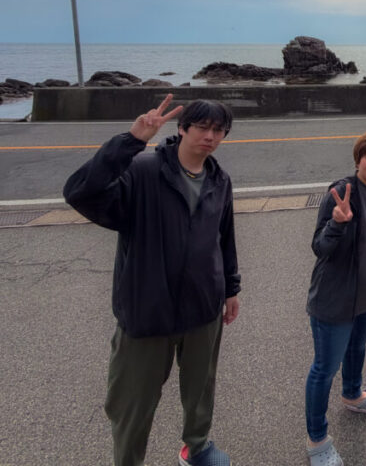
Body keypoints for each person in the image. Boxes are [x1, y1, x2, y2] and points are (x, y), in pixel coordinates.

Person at [62, 95, 240, 466]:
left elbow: (224, 237)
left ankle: (197, 447)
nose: (210, 136)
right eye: (202, 127)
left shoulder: (219, 180)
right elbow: (80, 192)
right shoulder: (142, 172)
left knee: (200, 388)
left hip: (203, 306)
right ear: (183, 128)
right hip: (147, 310)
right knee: (132, 401)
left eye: (218, 130)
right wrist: (130, 142)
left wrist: (231, 288)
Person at [305, 129, 366, 466]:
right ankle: (317, 440)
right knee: (324, 369)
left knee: (357, 347)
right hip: (336, 300)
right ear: (358, 159)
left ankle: (353, 394)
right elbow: (320, 247)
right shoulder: (342, 192)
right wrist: (337, 224)